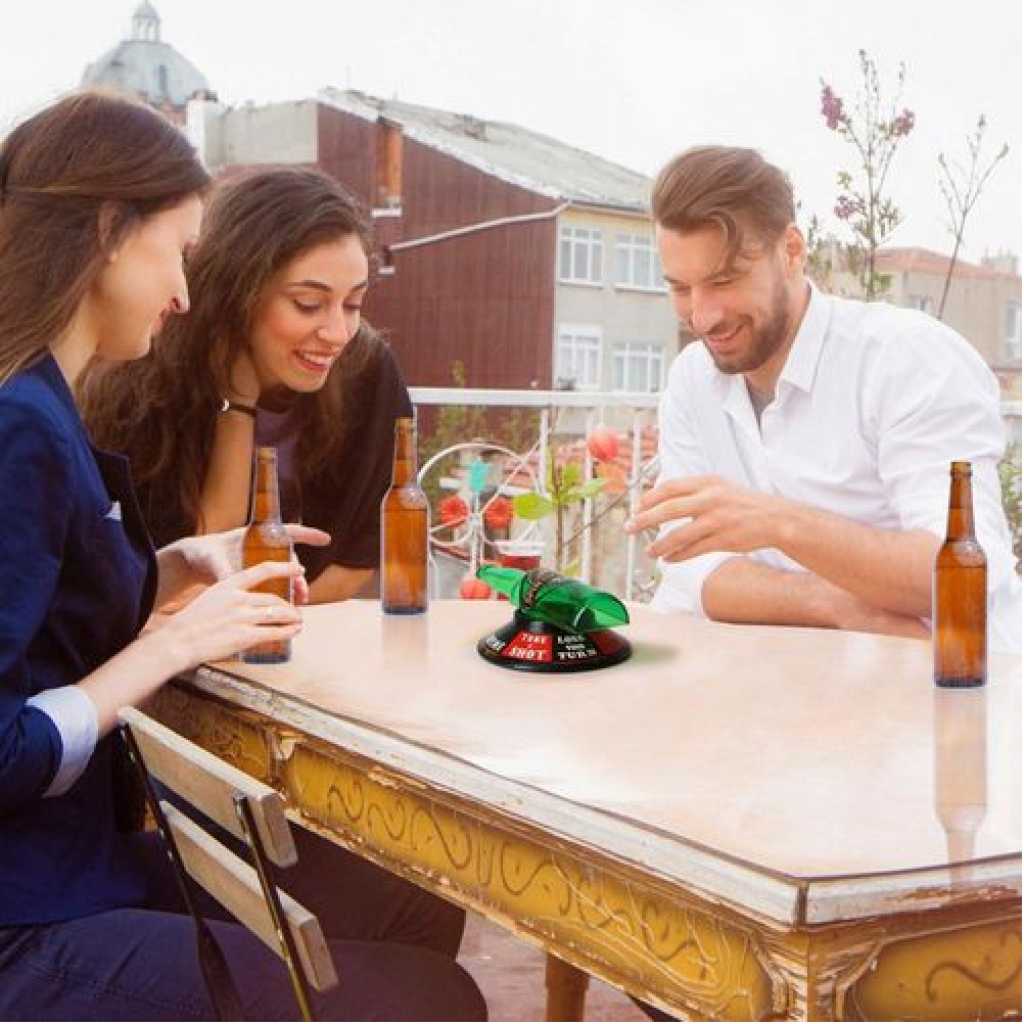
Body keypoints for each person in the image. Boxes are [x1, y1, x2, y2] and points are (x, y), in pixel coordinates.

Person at [0, 91, 485, 1021]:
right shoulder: (20, 424)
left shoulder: (42, 401)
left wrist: (176, 565)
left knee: (408, 891)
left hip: (73, 862)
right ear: (108, 233)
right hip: (26, 916)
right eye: (177, 253)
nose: (185, 292)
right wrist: (170, 645)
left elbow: (45, 617)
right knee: (434, 998)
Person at [626, 145, 1021, 653]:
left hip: (952, 677)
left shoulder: (907, 358)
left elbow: (961, 571)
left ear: (791, 251)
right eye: (681, 288)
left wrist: (779, 523)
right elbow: (691, 571)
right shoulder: (692, 378)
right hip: (796, 673)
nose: (702, 317)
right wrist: (836, 605)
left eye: (724, 281)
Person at [80, 166, 413, 605]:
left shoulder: (366, 373)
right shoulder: (144, 383)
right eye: (308, 304)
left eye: (353, 303)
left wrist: (270, 624)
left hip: (302, 624)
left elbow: (359, 555)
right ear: (237, 293)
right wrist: (236, 408)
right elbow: (190, 579)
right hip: (178, 634)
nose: (337, 333)